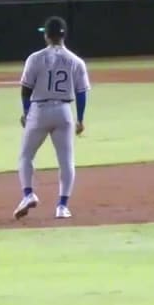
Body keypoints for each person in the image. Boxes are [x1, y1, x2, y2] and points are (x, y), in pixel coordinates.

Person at [14, 16, 91, 220]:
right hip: (64, 111)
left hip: (39, 110)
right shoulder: (76, 61)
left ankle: (28, 194)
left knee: (26, 156)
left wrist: (26, 112)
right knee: (66, 161)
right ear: (64, 35)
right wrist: (80, 119)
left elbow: (25, 90)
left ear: (47, 36)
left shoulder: (35, 58)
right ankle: (62, 206)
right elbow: (82, 93)